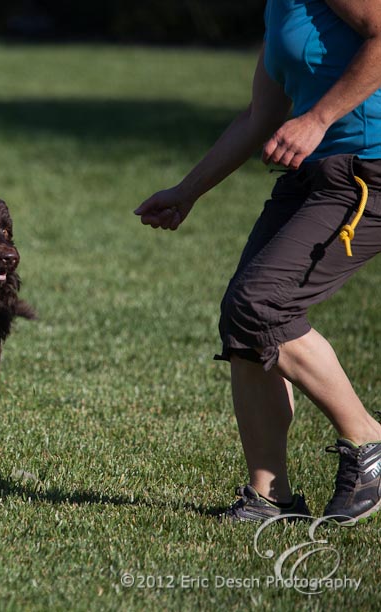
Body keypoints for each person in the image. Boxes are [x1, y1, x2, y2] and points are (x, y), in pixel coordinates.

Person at [135, 0, 381, 523]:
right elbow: (260, 115)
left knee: (259, 304)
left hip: (368, 170)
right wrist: (186, 192)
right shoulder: (279, 6)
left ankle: (369, 443)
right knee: (245, 323)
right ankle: (271, 498)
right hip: (312, 176)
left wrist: (317, 118)